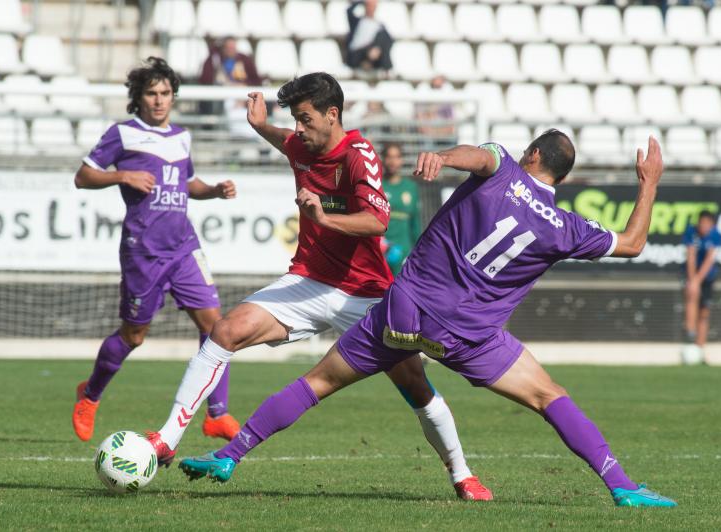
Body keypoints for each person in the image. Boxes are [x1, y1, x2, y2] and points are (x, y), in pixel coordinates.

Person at [179, 131, 678, 508]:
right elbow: (632, 244)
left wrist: (443, 157)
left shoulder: (501, 165)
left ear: (530, 155)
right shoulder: (567, 227)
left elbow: (477, 155)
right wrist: (650, 182)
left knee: (317, 382)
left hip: (405, 311)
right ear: (561, 177)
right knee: (550, 398)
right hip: (470, 338)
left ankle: (229, 456)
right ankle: (623, 486)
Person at [147, 72, 492, 501]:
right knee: (225, 331)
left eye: (305, 119)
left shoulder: (359, 155)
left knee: (416, 386)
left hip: (366, 295)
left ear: (333, 114)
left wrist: (324, 219)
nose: (298, 129)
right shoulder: (302, 145)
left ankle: (462, 475)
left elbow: (377, 220)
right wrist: (259, 128)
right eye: (294, 119)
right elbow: (287, 142)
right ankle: (166, 438)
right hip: (308, 281)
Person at [71, 57, 240, 443]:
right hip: (143, 252)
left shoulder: (181, 137)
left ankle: (217, 413)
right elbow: (83, 177)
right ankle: (90, 394)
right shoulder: (123, 134)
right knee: (134, 336)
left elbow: (189, 183)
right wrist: (122, 174)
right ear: (138, 98)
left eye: (165, 93)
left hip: (183, 246)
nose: (159, 100)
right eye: (151, 93)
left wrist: (214, 191)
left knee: (218, 327)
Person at [198, 37, 264, 137]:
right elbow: (205, 79)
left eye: (233, 47)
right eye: (228, 48)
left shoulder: (244, 60)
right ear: (223, 48)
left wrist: (244, 88)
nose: (231, 50)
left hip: (243, 99)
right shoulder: (215, 60)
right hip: (223, 100)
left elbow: (256, 81)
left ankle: (248, 137)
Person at [682, 210, 721, 350]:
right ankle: (690, 335)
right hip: (691, 274)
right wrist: (692, 280)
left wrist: (697, 281)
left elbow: (709, 260)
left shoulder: (716, 235)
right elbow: (691, 256)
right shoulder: (691, 232)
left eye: (707, 223)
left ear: (712, 224)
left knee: (704, 312)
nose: (703, 226)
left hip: (707, 277)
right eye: (701, 222)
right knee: (691, 297)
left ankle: (701, 347)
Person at [381, 143, 422, 275]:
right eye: (389, 157)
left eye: (397, 157)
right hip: (380, 248)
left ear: (402, 160)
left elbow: (415, 221)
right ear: (382, 159)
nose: (393, 161)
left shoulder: (410, 187)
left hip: (404, 249)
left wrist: (418, 250)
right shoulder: (377, 184)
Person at [345, 0, 393, 73]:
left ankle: (385, 69)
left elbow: (389, 40)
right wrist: (363, 2)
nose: (371, 9)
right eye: (369, 6)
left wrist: (377, 47)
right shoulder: (357, 21)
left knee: (383, 36)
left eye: (373, 7)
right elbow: (349, 11)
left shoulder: (379, 24)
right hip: (357, 54)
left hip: (374, 54)